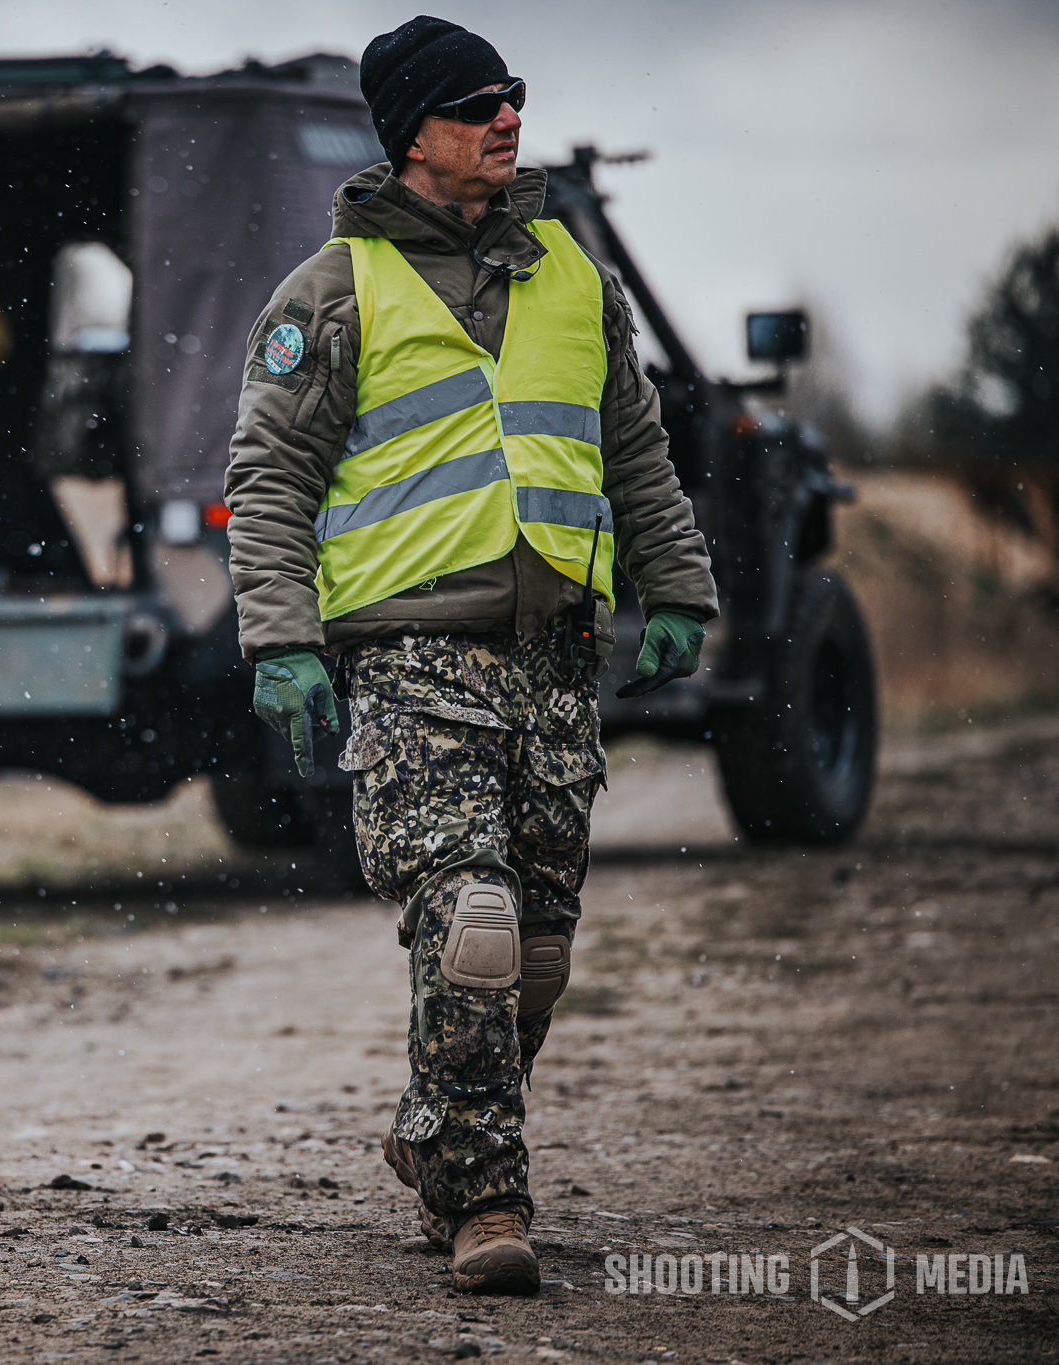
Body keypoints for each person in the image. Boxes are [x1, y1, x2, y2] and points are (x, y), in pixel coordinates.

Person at [224, 16, 720, 1294]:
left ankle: (435, 1128)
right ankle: (486, 1203)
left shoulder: (573, 271)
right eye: (476, 103)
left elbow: (636, 451)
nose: (507, 117)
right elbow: (269, 477)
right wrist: (281, 642)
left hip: (554, 656)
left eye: (513, 96)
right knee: (474, 931)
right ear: (410, 135)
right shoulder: (329, 292)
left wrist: (676, 584)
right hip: (408, 659)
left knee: (535, 954)